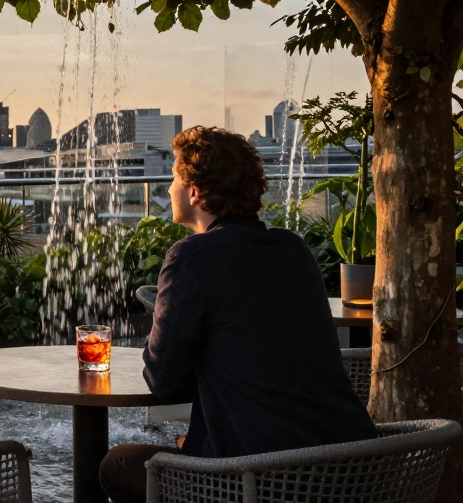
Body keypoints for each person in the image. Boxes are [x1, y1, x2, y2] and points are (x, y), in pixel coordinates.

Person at [99, 126, 376, 503]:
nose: (167, 189)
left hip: (260, 479)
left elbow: (163, 382)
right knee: (182, 443)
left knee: (118, 465)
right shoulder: (293, 249)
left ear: (195, 191)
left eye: (174, 178)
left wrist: (165, 320)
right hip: (351, 466)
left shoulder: (191, 257)